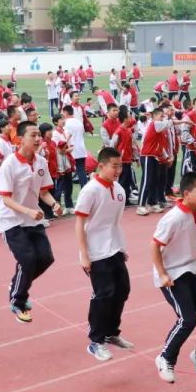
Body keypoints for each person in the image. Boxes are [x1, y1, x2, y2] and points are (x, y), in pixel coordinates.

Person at [151, 172, 196, 383]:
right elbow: (155, 245)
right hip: (173, 273)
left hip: (194, 269)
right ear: (186, 194)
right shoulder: (173, 218)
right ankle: (165, 357)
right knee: (187, 319)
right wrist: (162, 274)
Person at [0, 120, 64, 322]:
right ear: (20, 139)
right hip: (11, 219)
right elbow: (6, 198)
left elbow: (43, 192)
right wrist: (27, 210)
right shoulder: (9, 164)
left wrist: (54, 205)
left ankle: (18, 284)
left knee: (45, 258)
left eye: (38, 135)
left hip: (32, 218)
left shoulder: (41, 162)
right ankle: (17, 301)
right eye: (32, 135)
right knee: (27, 260)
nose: (37, 139)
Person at [75, 146, 134, 361]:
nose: (118, 170)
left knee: (123, 290)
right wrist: (84, 254)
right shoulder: (90, 190)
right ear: (101, 166)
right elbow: (80, 223)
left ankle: (111, 333)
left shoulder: (119, 190)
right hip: (96, 252)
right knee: (104, 293)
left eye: (120, 166)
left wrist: (122, 247)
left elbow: (115, 223)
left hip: (114, 249)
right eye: (114, 166)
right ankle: (96, 341)